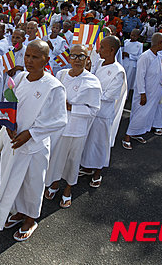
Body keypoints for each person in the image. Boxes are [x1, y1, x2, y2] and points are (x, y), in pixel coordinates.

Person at [0, 40, 67, 242]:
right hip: (13, 141)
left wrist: (31, 133)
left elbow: (59, 119)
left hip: (34, 144)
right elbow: (11, 104)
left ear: (47, 59)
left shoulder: (54, 86)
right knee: (11, 177)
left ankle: (31, 218)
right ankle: (18, 211)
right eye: (27, 55)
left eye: (35, 57)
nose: (29, 60)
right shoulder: (19, 78)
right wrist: (9, 125)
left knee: (32, 182)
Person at [45, 45, 102, 207]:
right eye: (74, 56)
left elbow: (93, 110)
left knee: (72, 160)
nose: (77, 60)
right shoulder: (61, 74)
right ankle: (54, 184)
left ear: (87, 59)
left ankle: (68, 189)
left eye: (81, 56)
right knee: (55, 158)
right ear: (69, 58)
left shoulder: (92, 81)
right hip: (58, 126)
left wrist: (72, 107)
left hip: (77, 129)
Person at [80, 36, 127, 186]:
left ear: (112, 50)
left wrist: (90, 94)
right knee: (88, 141)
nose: (99, 50)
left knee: (100, 143)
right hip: (91, 110)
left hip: (103, 114)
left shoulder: (118, 71)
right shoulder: (99, 63)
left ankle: (98, 171)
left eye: (102, 48)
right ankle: (87, 167)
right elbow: (90, 79)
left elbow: (110, 95)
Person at [122, 33, 162, 150]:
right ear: (159, 43)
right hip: (144, 93)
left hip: (154, 92)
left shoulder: (159, 56)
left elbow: (159, 73)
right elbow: (140, 76)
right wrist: (142, 94)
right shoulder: (145, 56)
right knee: (139, 114)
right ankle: (127, 137)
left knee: (147, 115)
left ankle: (137, 133)